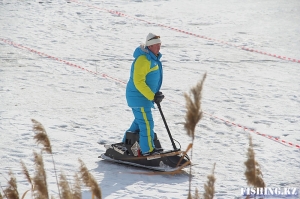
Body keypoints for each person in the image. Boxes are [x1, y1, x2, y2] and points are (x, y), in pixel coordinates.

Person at [123, 33, 165, 156]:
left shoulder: (152, 58)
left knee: (139, 122)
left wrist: (155, 94)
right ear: (150, 46)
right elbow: (138, 82)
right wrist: (152, 96)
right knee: (147, 124)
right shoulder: (143, 60)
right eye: (156, 45)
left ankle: (125, 144)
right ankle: (147, 151)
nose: (159, 47)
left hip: (144, 98)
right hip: (138, 97)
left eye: (159, 44)